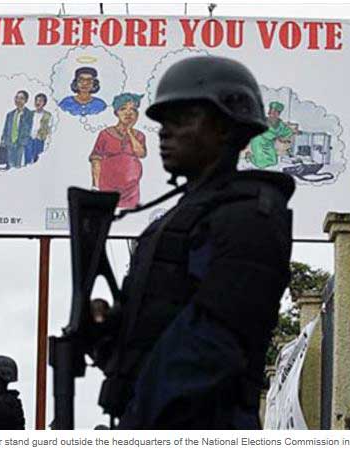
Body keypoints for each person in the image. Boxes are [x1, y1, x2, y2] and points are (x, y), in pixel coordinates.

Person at [88, 56, 295, 429]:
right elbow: (154, 334)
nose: (165, 133)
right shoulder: (175, 220)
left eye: (182, 119)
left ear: (225, 128)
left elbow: (211, 345)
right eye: (164, 123)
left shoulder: (250, 216)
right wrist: (106, 334)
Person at [89, 93, 147, 209]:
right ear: (116, 113)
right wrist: (95, 186)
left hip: (131, 191)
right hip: (107, 188)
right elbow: (96, 160)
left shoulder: (139, 135)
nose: (128, 113)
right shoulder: (105, 134)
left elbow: (141, 154)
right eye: (123, 109)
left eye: (133, 109)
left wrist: (130, 132)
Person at [246, 101, 295, 169]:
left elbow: (288, 132)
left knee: (274, 161)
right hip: (259, 140)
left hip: (269, 143)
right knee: (261, 163)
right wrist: (276, 136)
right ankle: (249, 156)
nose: (273, 115)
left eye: (275, 112)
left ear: (278, 114)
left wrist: (286, 137)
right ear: (269, 112)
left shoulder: (280, 124)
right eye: (272, 112)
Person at [0, 90, 33, 169]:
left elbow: (28, 130)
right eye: (17, 98)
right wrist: (3, 142)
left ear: (26, 101)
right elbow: (5, 130)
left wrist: (21, 143)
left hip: (20, 146)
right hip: (8, 145)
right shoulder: (10, 115)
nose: (18, 100)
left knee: (17, 168)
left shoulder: (29, 114)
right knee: (8, 167)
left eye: (21, 98)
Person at [24, 93, 52, 165]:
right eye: (36, 100)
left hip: (39, 140)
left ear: (44, 103)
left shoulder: (47, 115)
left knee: (37, 161)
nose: (38, 102)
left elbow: (49, 129)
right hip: (29, 140)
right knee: (27, 160)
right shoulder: (29, 113)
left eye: (40, 101)